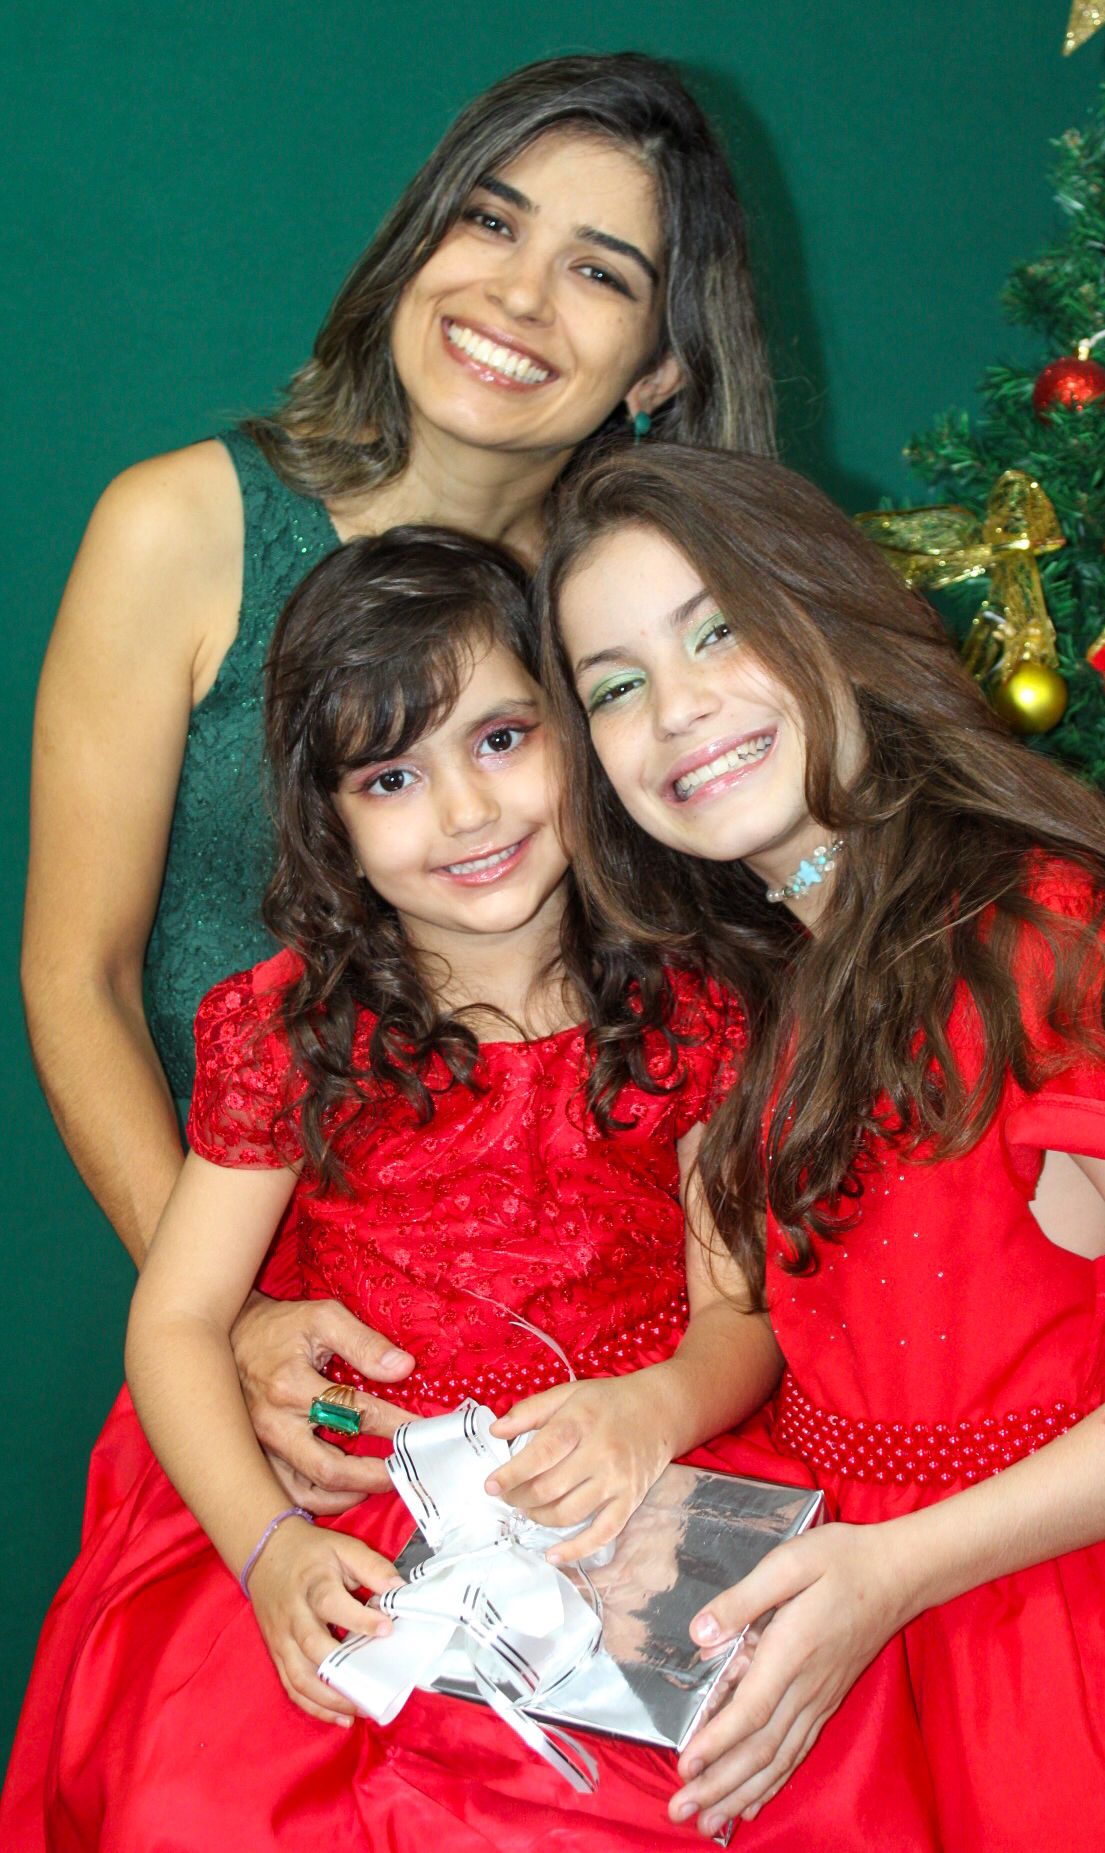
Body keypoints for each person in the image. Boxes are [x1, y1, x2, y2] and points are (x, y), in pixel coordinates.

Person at [5, 526, 861, 1851]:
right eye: (393, 776)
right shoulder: (290, 1034)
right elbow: (176, 1324)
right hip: (346, 1504)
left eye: (502, 740)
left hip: (629, 1479)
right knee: (209, 1804)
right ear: (330, 824)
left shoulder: (699, 1008)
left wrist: (654, 1410)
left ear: (577, 737)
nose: (466, 811)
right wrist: (268, 1549)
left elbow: (735, 1315)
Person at [21, 50, 776, 1514]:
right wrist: (232, 1319)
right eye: (489, 222)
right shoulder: (179, 529)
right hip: (288, 1339)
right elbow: (78, 975)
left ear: (664, 364)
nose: (518, 296)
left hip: (616, 1390)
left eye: (599, 273)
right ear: (419, 237)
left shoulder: (646, 612)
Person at [540, 443, 1105, 1852]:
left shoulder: (1040, 929)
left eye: (719, 630)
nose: (677, 707)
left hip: (1057, 1647)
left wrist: (895, 1569)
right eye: (615, 687)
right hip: (847, 1651)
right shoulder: (771, 980)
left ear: (828, 616)